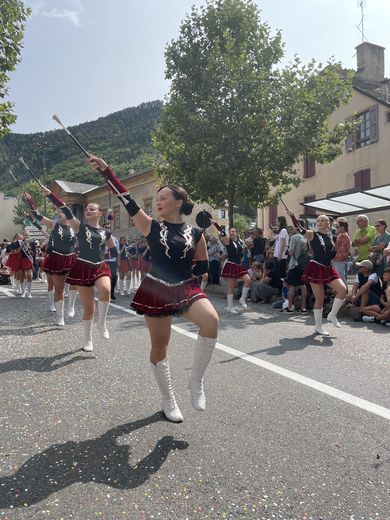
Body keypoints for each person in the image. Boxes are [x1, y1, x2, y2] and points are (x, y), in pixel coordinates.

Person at [87, 154, 219, 423]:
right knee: (160, 345)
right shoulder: (150, 225)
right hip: (157, 289)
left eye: (163, 198)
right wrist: (107, 171)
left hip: (185, 287)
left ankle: (196, 380)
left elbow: (203, 265)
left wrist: (198, 271)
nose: (158, 202)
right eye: (156, 199)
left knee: (211, 321)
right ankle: (168, 399)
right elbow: (127, 198)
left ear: (178, 203)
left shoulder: (196, 233)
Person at [40, 193, 118, 352]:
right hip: (83, 266)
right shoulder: (78, 227)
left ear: (99, 213)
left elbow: (115, 252)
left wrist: (105, 256)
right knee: (89, 308)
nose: (88, 211)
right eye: (86, 209)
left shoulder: (106, 233)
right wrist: (51, 196)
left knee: (105, 290)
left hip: (100, 265)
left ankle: (102, 323)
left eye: (92, 209)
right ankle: (87, 338)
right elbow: (66, 210)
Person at [24, 190, 78, 325]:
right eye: (58, 213)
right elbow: (38, 215)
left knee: (75, 284)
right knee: (58, 288)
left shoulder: (76, 227)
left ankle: (71, 306)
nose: (59, 214)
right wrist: (30, 201)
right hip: (56, 259)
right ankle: (60, 316)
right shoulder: (54, 225)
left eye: (61, 212)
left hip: (71, 259)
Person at [287, 211, 346, 335]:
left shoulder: (332, 236)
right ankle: (318, 327)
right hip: (316, 267)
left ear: (328, 224)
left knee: (342, 290)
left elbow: (332, 254)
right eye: (318, 220)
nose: (319, 222)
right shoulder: (312, 234)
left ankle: (332, 315)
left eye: (323, 220)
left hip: (328, 268)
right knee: (319, 298)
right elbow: (299, 228)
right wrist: (293, 216)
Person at [220, 227, 251, 313]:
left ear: (237, 233)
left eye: (233, 231)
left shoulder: (240, 242)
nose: (231, 233)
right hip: (231, 265)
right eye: (230, 232)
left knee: (248, 280)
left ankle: (242, 299)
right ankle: (230, 306)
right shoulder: (228, 241)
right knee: (231, 287)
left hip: (239, 265)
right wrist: (215, 224)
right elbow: (222, 233)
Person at [286, 219, 308, 312]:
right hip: (302, 264)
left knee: (292, 286)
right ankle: (303, 307)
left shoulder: (294, 238)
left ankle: (290, 307)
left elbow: (291, 252)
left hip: (294, 264)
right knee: (303, 285)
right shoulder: (305, 237)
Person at [332, 219, 351, 288]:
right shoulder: (345, 235)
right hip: (341, 259)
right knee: (340, 276)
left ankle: (344, 292)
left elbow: (334, 246)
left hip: (339, 259)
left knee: (340, 277)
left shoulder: (342, 235)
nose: (336, 228)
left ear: (343, 227)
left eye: (337, 226)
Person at [103, 222, 120, 300]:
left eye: (108, 227)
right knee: (105, 277)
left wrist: (118, 262)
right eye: (105, 227)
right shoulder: (101, 238)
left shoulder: (115, 239)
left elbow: (117, 252)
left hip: (113, 261)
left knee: (114, 276)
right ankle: (105, 292)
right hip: (104, 261)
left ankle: (111, 292)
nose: (107, 229)